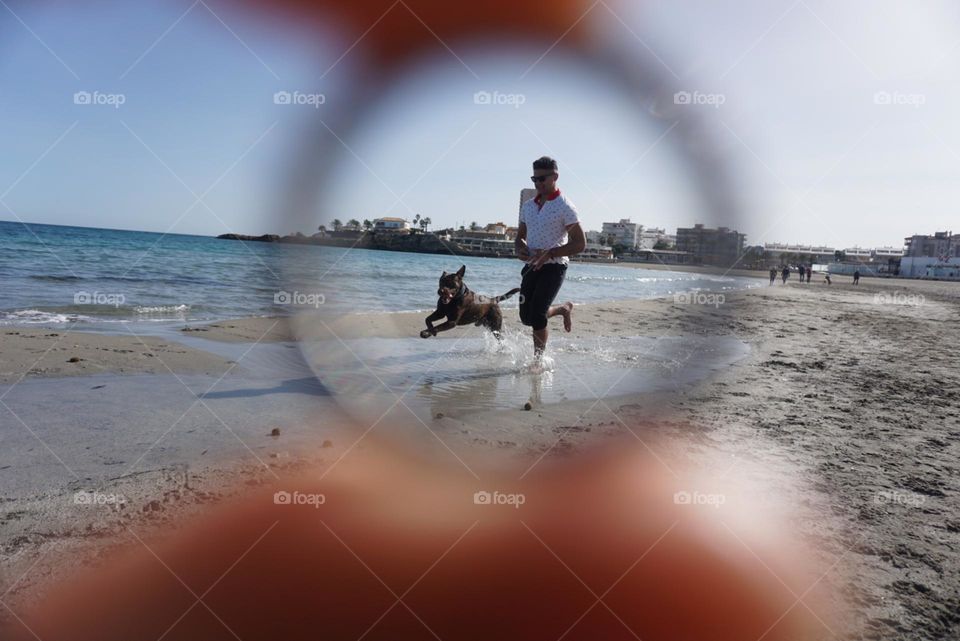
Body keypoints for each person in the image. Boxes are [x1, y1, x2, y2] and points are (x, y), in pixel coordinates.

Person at [515, 156, 586, 360]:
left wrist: (550, 253)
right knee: (526, 317)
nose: (538, 183)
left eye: (542, 178)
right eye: (534, 179)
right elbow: (519, 237)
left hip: (554, 267)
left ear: (555, 176)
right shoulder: (528, 206)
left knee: (537, 315)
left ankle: (538, 360)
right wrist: (520, 249)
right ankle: (562, 309)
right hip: (531, 266)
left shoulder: (565, 207)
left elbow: (580, 244)